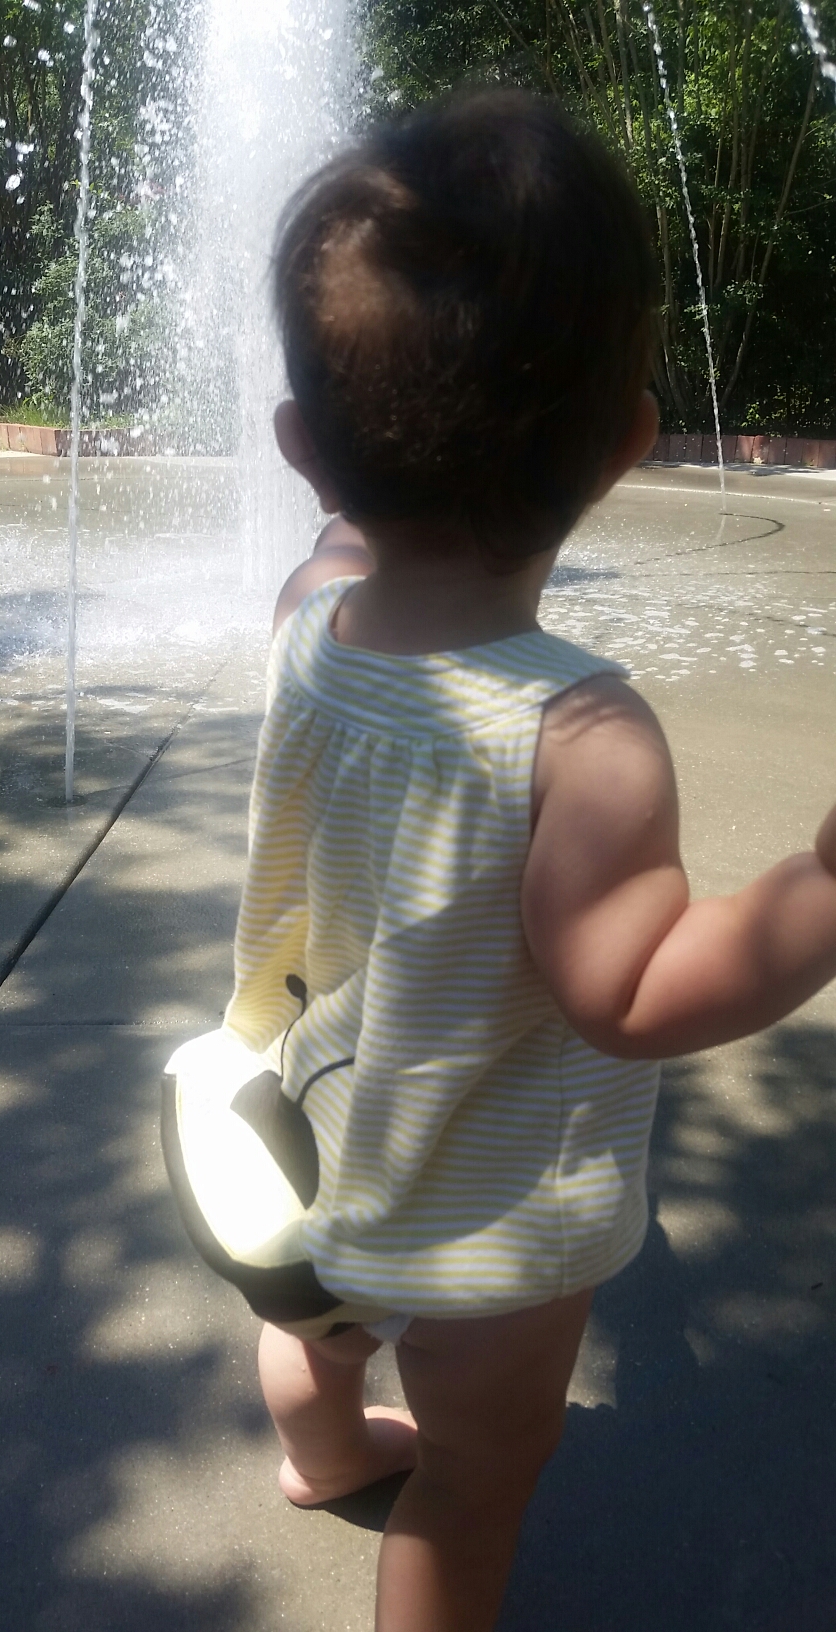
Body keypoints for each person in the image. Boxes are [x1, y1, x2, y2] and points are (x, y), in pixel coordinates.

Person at [220, 90, 836, 1631]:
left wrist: (344, 511)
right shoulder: (581, 732)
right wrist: (818, 884)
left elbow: (341, 548)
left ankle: (321, 1452)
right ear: (627, 440)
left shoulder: (305, 620)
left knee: (314, 1321)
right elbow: (633, 994)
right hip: (483, 1215)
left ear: (301, 450)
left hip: (305, 1123)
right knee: (474, 1484)